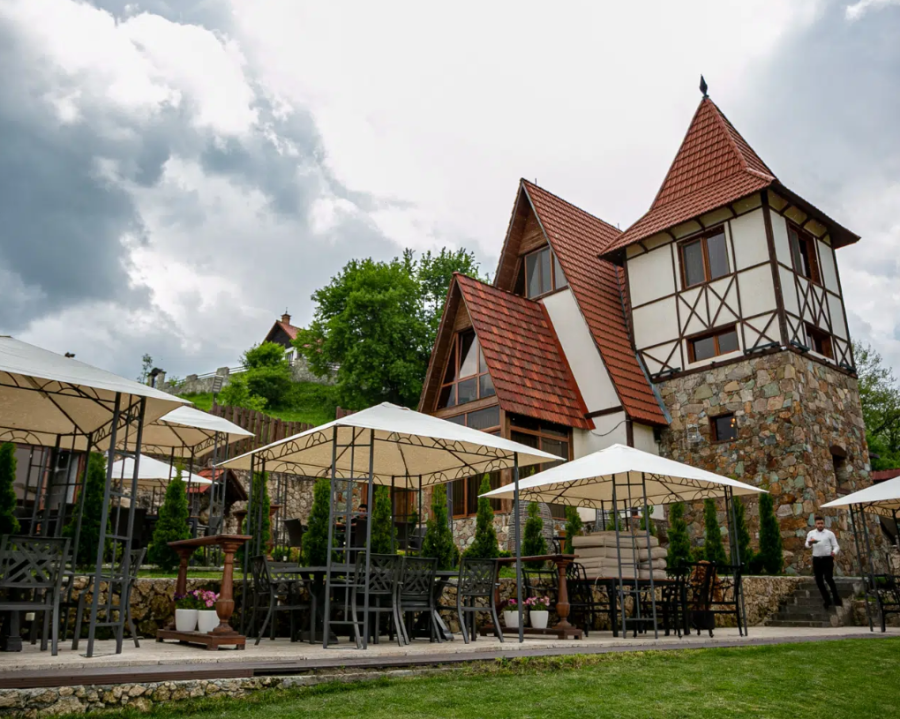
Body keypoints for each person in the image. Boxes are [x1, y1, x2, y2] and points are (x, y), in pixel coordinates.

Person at [805, 516, 842, 609]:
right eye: (818, 523)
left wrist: (834, 552)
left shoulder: (830, 534)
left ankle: (836, 598)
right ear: (815, 524)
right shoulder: (811, 533)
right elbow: (807, 545)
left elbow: (836, 546)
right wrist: (810, 543)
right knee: (819, 580)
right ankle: (827, 600)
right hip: (816, 559)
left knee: (828, 577)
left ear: (824, 524)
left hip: (827, 559)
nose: (820, 525)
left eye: (821, 523)